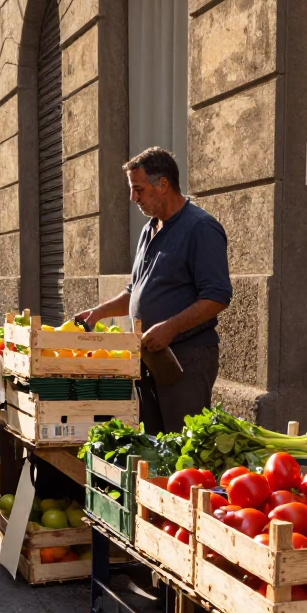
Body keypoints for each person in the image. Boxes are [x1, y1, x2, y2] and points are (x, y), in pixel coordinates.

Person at [77, 147, 232, 434]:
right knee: (154, 445)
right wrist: (97, 313)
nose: (133, 198)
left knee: (181, 446)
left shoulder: (201, 228)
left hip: (186, 358)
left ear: (163, 185)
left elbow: (218, 295)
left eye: (138, 189)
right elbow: (135, 290)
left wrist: (169, 328)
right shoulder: (149, 230)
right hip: (150, 358)